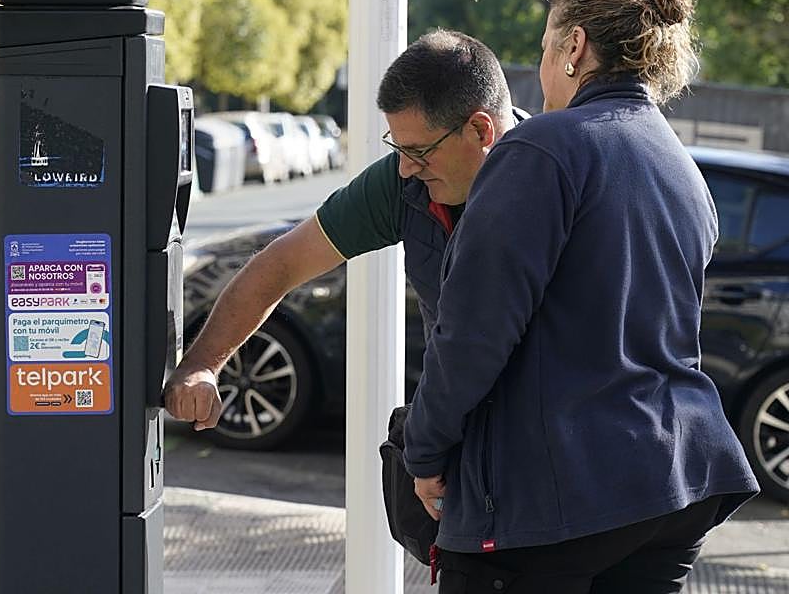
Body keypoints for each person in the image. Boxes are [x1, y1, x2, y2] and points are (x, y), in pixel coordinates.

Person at [404, 0, 759, 593]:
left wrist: (425, 452)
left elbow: (471, 334)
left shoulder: (541, 149)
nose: (540, 71)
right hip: (672, 486)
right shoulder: (682, 169)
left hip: (553, 503)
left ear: (574, 49)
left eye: (545, 46)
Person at [164, 29, 523, 431]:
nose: (406, 168)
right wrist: (200, 367)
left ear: (480, 131)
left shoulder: (559, 179)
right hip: (461, 441)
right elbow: (282, 263)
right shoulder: (404, 183)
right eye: (398, 149)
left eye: (420, 152)